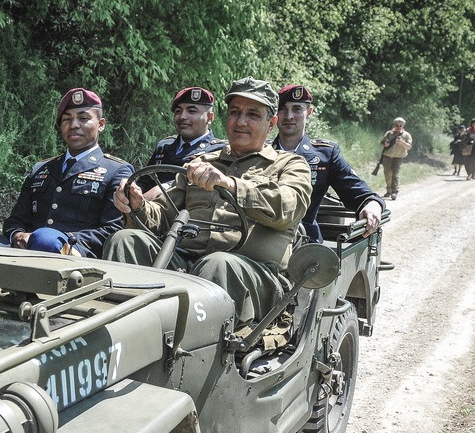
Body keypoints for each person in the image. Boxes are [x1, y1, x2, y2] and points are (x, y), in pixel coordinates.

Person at [104, 77, 311, 328]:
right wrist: (137, 206)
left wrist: (231, 185)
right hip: (186, 263)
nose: (241, 121)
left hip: (254, 276)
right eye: (235, 112)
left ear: (272, 124)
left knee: (218, 264)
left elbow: (289, 206)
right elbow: (163, 216)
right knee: (125, 240)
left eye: (253, 114)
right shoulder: (202, 162)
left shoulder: (290, 164)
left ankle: (193, 355)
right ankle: (120, 330)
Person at [0, 88, 133, 257]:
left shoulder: (117, 171)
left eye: (83, 118)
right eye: (66, 119)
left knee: (44, 238)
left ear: (101, 124)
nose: (74, 125)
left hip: (73, 256)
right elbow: (15, 219)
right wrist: (17, 235)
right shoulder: (42, 169)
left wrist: (61, 238)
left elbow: (112, 232)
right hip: (21, 250)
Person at [271, 83, 383, 243]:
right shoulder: (262, 151)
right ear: (275, 113)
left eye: (296, 109)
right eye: (283, 109)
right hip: (262, 239)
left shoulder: (325, 155)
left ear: (309, 112)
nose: (289, 116)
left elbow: (358, 192)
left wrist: (372, 205)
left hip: (305, 242)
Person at [137, 86, 226, 192]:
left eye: (192, 111)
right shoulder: (164, 146)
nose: (182, 116)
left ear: (210, 118)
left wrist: (163, 189)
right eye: (178, 111)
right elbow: (144, 182)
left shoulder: (220, 151)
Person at [379, 117, 412, 200]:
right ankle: (388, 190)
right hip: (387, 157)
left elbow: (409, 147)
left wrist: (402, 142)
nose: (398, 126)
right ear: (394, 125)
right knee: (387, 174)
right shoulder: (389, 133)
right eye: (397, 124)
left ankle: (394, 192)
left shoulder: (406, 135)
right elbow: (382, 143)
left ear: (403, 125)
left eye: (400, 125)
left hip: (398, 158)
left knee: (395, 174)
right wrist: (385, 144)